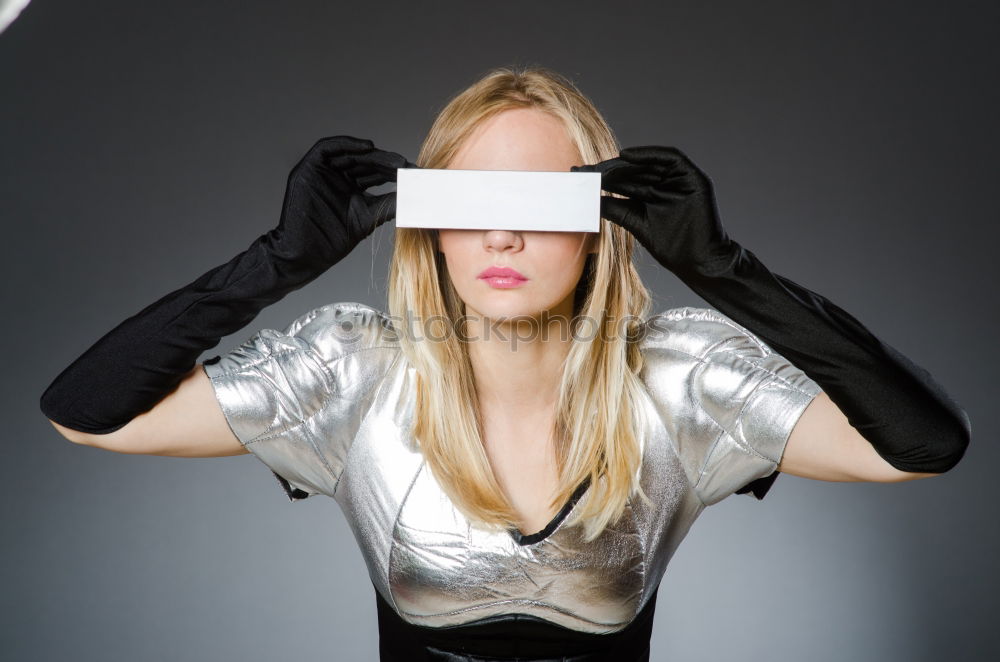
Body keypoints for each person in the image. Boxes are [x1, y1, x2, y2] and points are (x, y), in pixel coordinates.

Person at [39, 65, 971, 662]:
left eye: (544, 203)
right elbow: (87, 412)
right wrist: (273, 262)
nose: (503, 231)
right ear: (429, 224)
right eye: (471, 198)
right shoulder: (352, 373)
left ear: (604, 227)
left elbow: (923, 445)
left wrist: (729, 273)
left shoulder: (684, 381)